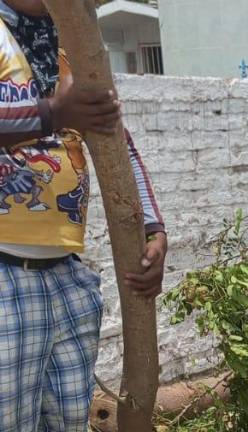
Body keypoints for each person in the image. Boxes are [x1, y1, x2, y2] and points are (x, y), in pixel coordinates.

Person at [0, 0, 167, 430]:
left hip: (68, 274)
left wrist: (153, 226)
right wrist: (55, 112)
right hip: (4, 273)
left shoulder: (75, 43)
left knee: (69, 419)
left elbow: (116, 140)